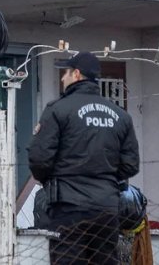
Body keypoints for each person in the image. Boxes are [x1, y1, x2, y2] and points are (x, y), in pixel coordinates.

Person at [28, 51, 140, 265]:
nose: (62, 78)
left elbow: (39, 158)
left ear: (76, 74)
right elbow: (131, 164)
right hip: (106, 208)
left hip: (68, 207)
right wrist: (105, 180)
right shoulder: (120, 115)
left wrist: (53, 181)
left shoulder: (58, 110)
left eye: (66, 73)